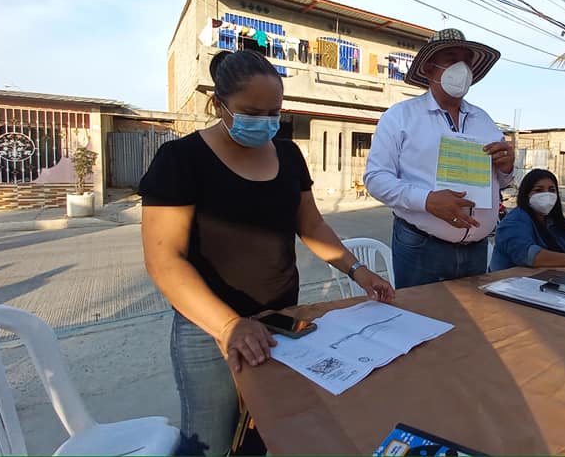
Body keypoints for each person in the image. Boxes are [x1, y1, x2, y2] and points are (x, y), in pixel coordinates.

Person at [139, 50, 394, 456]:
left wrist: (359, 271)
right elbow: (164, 259)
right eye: (251, 112)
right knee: (208, 441)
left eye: (274, 112)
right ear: (219, 105)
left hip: (280, 321)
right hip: (209, 326)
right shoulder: (181, 160)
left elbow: (311, 226)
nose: (265, 122)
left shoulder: (288, 155)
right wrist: (228, 326)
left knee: (263, 431)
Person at [364, 28, 515, 288]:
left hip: (477, 249)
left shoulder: (484, 120)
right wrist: (427, 200)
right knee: (419, 313)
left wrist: (507, 167)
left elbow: (501, 182)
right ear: (428, 69)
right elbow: (376, 179)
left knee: (473, 315)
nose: (462, 68)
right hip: (421, 247)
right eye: (451, 59)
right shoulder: (400, 116)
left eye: (467, 61)